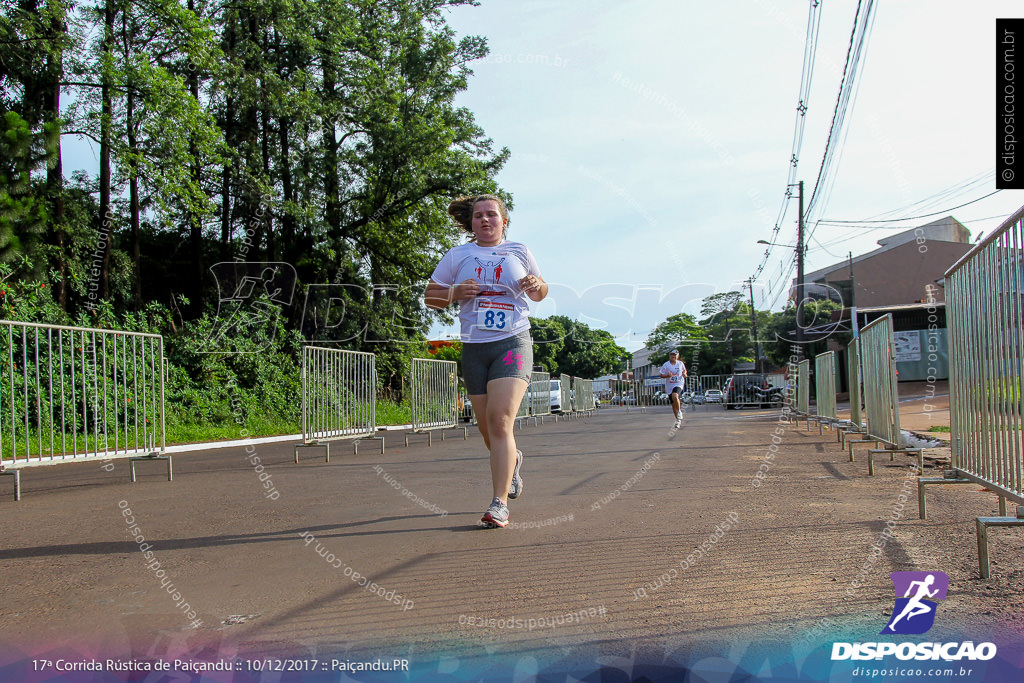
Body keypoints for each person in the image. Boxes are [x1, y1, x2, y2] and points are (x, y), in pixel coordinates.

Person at [424, 194, 548, 528]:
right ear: (471, 222)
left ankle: (499, 504)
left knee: (500, 420)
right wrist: (454, 293)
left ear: (503, 220)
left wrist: (536, 284)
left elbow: (539, 291)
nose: (485, 220)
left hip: (512, 343)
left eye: (492, 215)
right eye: (479, 216)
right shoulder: (458, 255)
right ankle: (514, 461)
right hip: (474, 348)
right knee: (487, 431)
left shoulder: (519, 251)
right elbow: (430, 297)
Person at [659, 350, 688, 428]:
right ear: (669, 356)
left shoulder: (680, 363)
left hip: (679, 383)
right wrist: (667, 376)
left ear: (677, 356)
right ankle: (678, 420)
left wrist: (685, 373)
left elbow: (684, 370)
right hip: (670, 385)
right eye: (672, 355)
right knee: (673, 404)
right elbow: (661, 375)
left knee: (675, 396)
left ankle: (679, 412)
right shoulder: (666, 365)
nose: (673, 357)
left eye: (675, 355)